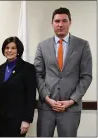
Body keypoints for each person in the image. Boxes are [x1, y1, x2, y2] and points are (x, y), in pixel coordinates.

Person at [34, 7, 92, 137]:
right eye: (57, 21)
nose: (60, 24)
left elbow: (86, 76)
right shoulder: (42, 46)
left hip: (71, 109)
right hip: (46, 107)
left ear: (70, 22)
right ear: (52, 23)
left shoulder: (82, 45)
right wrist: (48, 99)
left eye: (64, 21)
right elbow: (38, 74)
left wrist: (71, 101)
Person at [0, 36, 36, 137]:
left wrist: (27, 120)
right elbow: (1, 92)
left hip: (18, 119)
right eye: (7, 48)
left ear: (18, 50)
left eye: (13, 48)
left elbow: (31, 96)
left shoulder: (28, 68)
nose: (9, 50)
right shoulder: (0, 68)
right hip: (1, 117)